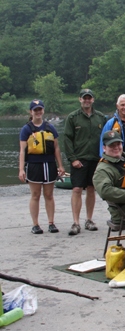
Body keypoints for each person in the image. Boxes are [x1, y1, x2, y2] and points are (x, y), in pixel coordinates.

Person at [19, 100, 65, 234]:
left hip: (49, 164)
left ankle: (51, 223)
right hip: (34, 165)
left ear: (43, 110)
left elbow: (56, 148)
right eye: (35, 110)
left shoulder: (50, 127)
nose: (38, 112)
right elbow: (22, 150)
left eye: (40, 109)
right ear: (31, 112)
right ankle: (35, 224)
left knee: (49, 194)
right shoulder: (26, 129)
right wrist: (21, 169)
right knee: (35, 195)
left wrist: (60, 165)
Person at [64, 88, 106, 236]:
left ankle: (89, 220)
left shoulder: (100, 117)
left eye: (89, 98)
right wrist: (73, 158)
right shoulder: (72, 117)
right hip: (79, 159)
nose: (87, 100)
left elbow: (106, 139)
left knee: (91, 189)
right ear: (80, 100)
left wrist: (104, 158)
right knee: (76, 189)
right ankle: (75, 222)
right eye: (84, 98)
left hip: (95, 159)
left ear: (93, 100)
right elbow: (67, 139)